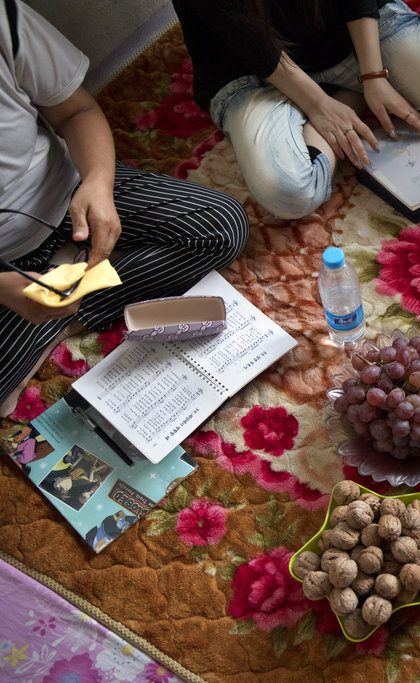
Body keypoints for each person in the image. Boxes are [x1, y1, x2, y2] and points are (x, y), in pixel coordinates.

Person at [0, 1, 250, 417]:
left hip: (67, 191)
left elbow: (76, 110)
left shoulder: (6, 18)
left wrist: (99, 181)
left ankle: (59, 312)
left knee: (222, 225)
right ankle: (52, 308)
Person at [172, 0, 420, 219]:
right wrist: (318, 106)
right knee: (290, 194)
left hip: (345, 31)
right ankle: (342, 102)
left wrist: (374, 75)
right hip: (248, 69)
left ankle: (351, 97)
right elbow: (247, 39)